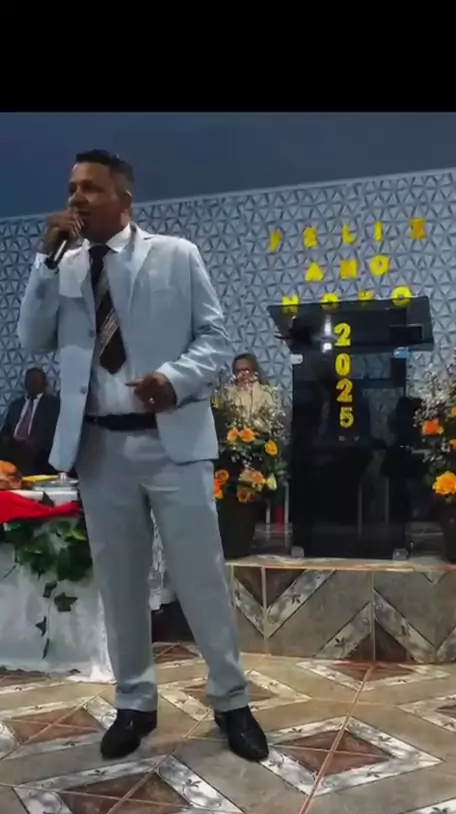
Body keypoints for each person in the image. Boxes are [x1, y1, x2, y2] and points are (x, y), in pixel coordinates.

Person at [18, 148, 268, 763]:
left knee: (200, 578)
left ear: (124, 199)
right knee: (120, 582)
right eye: (72, 187)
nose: (76, 198)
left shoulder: (176, 255)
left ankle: (231, 701)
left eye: (91, 188)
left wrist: (175, 380)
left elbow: (215, 339)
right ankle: (134, 702)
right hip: (100, 447)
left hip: (171, 441)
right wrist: (43, 263)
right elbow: (31, 337)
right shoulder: (64, 266)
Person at [0, 367, 59, 474]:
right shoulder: (16, 404)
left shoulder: (53, 405)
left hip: (37, 450)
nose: (32, 383)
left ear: (44, 383)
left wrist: (34, 443)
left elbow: (54, 432)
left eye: (36, 380)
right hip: (12, 446)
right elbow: (6, 430)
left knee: (27, 452)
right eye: (29, 379)